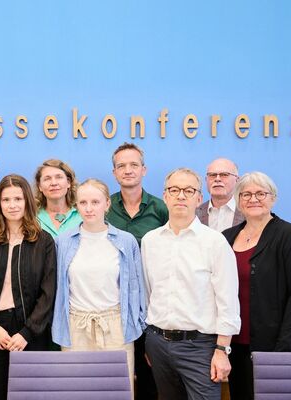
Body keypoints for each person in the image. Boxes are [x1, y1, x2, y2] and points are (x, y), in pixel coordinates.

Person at [141, 168, 240, 400]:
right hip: (157, 344)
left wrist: (222, 350)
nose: (181, 196)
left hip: (200, 347)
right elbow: (148, 293)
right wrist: (150, 341)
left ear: (199, 198)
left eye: (189, 190)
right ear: (165, 196)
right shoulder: (150, 241)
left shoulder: (215, 242)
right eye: (174, 190)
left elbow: (227, 301)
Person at [222, 172, 291, 400]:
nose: (253, 199)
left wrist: (284, 347)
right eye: (246, 194)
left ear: (272, 198)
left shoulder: (290, 234)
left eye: (260, 193)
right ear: (238, 200)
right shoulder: (226, 237)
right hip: (236, 342)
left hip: (279, 343)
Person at [52, 178, 146, 393]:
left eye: (95, 202)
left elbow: (136, 287)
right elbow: (58, 286)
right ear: (76, 206)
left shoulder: (126, 240)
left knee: (117, 391)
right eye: (83, 202)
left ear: (107, 204)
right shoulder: (63, 241)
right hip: (76, 327)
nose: (89, 208)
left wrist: (137, 322)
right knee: (77, 392)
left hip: (115, 327)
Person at [0, 174, 57, 400]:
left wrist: (28, 332)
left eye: (18, 199)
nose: (12, 205)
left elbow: (49, 292)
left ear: (27, 201)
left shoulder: (43, 241)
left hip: (31, 331)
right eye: (6, 200)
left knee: (30, 394)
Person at [105, 142, 167, 400]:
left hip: (150, 303)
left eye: (133, 165)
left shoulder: (160, 208)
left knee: (149, 372)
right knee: (115, 373)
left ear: (144, 170)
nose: (127, 170)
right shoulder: (105, 207)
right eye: (121, 166)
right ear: (114, 172)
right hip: (113, 304)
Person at [34, 159, 81, 237]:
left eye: (59, 177)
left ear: (68, 182)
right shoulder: (32, 217)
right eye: (47, 179)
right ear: (40, 186)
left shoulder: (83, 215)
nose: (54, 183)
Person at [197, 158, 244, 232]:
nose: (217, 179)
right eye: (212, 175)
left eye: (224, 175)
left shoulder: (247, 211)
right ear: (206, 180)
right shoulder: (194, 213)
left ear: (237, 180)